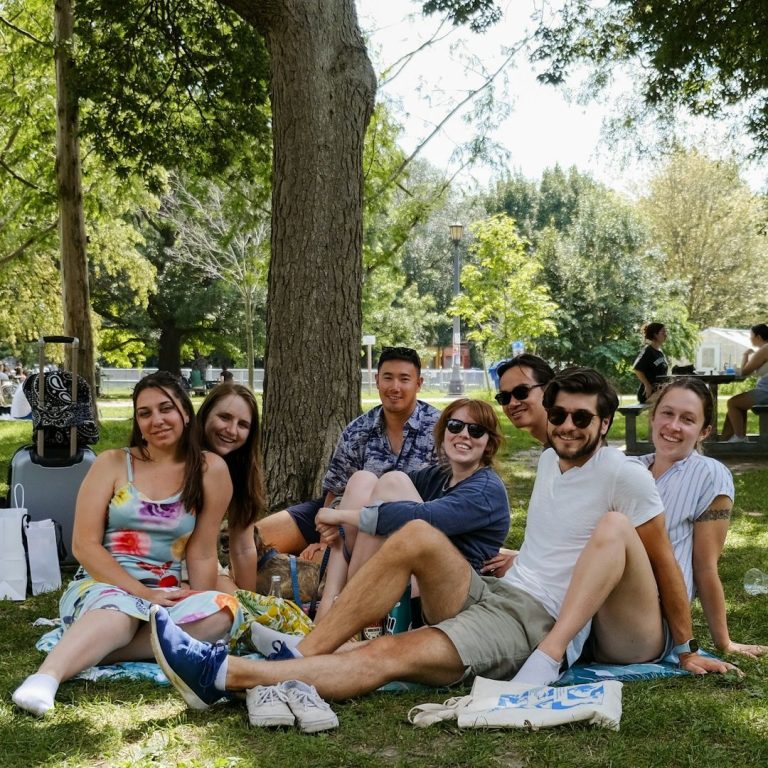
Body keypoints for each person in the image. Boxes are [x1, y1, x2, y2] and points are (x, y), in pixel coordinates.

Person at [149, 368, 733, 710]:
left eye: (583, 418)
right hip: (498, 592)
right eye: (560, 415)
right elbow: (558, 543)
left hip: (535, 625)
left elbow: (662, 563)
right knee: (419, 531)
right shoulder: (553, 464)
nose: (568, 427)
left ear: (604, 424)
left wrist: (684, 648)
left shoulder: (625, 476)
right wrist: (520, 557)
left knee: (390, 654)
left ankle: (224, 676)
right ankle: (307, 651)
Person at [12, 371, 241, 717]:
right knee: (120, 616)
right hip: (104, 583)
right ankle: (47, 676)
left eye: (166, 408)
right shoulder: (113, 464)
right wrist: (141, 593)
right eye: (145, 413)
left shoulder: (211, 469)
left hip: (164, 591)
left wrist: (198, 593)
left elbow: (203, 549)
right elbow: (84, 546)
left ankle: (90, 647)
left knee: (223, 611)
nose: (156, 420)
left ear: (185, 411)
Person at [312, 398, 509, 620]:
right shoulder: (441, 475)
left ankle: (347, 611)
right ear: (444, 433)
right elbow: (372, 494)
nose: (464, 434)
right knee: (362, 480)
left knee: (394, 482)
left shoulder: (485, 489)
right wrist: (336, 515)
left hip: (452, 593)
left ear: (489, 444)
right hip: (418, 575)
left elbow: (423, 518)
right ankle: (329, 604)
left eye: (475, 430)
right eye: (455, 426)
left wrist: (339, 515)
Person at [257, 346, 440, 555]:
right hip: (346, 513)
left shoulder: (439, 429)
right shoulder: (358, 430)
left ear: (418, 383)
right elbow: (335, 489)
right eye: (388, 378)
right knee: (258, 537)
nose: (395, 387)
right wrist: (323, 540)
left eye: (404, 379)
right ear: (377, 380)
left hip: (408, 521)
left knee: (326, 558)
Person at [638, 377, 766, 658]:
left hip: (656, 618)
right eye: (667, 414)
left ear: (704, 431)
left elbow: (705, 567)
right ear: (653, 416)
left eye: (687, 419)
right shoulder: (629, 468)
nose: (673, 426)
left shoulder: (709, 474)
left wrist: (724, 642)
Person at [197, 382, 267, 592]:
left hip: (206, 567)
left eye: (243, 424)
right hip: (160, 566)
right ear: (206, 413)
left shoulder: (240, 469)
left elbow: (244, 547)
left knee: (245, 612)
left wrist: (250, 603)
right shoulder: (178, 459)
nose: (231, 430)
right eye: (225, 417)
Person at [721, 323, 768, 442]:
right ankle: (733, 438)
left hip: (766, 391)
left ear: (758, 336)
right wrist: (746, 356)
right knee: (738, 403)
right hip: (765, 389)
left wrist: (745, 355)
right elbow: (746, 371)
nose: (750, 338)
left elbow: (744, 372)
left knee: (733, 403)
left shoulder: (765, 349)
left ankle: (739, 438)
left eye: (751, 335)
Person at [494, 354, 554, 446]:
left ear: (549, 390)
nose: (512, 404)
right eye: (504, 397)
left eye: (521, 392)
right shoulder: (554, 449)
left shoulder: (572, 448)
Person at [633, 322, 668, 403]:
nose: (666, 335)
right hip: (648, 394)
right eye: (663, 332)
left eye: (666, 332)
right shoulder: (648, 350)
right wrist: (647, 385)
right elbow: (637, 369)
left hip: (660, 392)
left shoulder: (660, 352)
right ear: (655, 334)